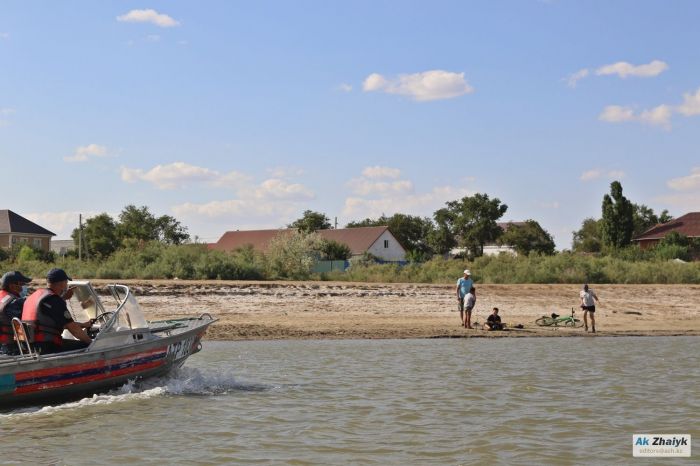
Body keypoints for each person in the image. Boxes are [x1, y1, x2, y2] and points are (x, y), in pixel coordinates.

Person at [22, 268, 94, 354]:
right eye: (66, 282)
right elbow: (74, 330)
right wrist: (92, 343)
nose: (67, 284)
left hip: (30, 346)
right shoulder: (54, 300)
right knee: (87, 346)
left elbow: (51, 320)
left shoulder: (36, 296)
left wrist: (83, 325)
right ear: (62, 283)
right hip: (47, 347)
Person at [0, 271, 33, 355]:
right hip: (9, 348)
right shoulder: (12, 303)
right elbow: (22, 326)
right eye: (21, 284)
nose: (24, 287)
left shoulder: (3, 297)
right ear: (12, 286)